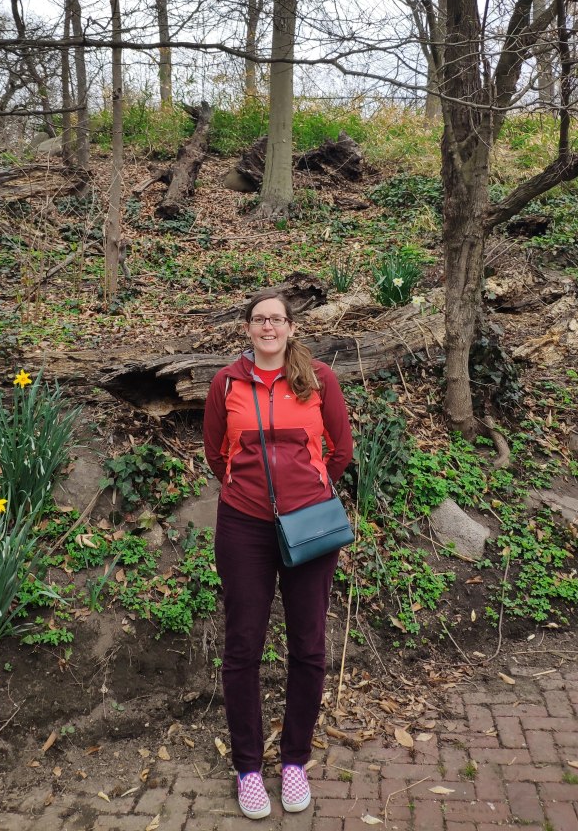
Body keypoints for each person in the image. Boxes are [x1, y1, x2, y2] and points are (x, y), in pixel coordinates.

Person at [203, 289, 354, 820]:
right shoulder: (226, 383)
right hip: (243, 526)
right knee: (243, 646)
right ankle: (248, 768)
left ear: (292, 328)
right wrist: (251, 496)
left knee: (308, 644)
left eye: (277, 319)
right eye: (258, 319)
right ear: (247, 328)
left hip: (309, 526)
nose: (268, 327)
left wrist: (309, 492)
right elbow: (217, 452)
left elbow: (340, 450)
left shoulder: (319, 380)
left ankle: (294, 761)